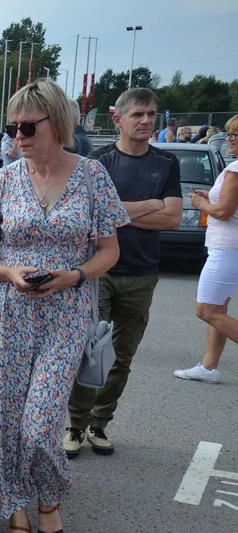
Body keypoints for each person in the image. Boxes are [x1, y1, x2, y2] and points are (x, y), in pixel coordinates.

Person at [0, 79, 126, 533]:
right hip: (6, 315)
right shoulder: (1, 181)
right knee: (2, 421)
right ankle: (18, 518)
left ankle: (50, 503)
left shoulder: (93, 176)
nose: (18, 135)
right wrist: (9, 272)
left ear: (57, 124)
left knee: (38, 426)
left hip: (65, 314)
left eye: (27, 126)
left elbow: (110, 251)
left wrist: (73, 275)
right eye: (12, 126)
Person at [65, 87, 181, 457]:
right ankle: (75, 424)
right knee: (88, 352)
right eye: (138, 114)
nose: (146, 120)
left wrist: (118, 211)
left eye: (151, 114)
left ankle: (100, 423)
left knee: (121, 356)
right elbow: (93, 215)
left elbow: (174, 218)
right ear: (119, 119)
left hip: (142, 273)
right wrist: (150, 205)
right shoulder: (98, 162)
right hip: (99, 270)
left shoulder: (166, 163)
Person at [174, 116, 238, 383]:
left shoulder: (236, 169)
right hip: (229, 248)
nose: (229, 139)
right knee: (218, 311)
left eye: (235, 135)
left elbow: (223, 211)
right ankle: (209, 367)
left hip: (226, 248)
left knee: (206, 311)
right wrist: (209, 196)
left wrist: (203, 205)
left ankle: (209, 367)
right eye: (229, 134)